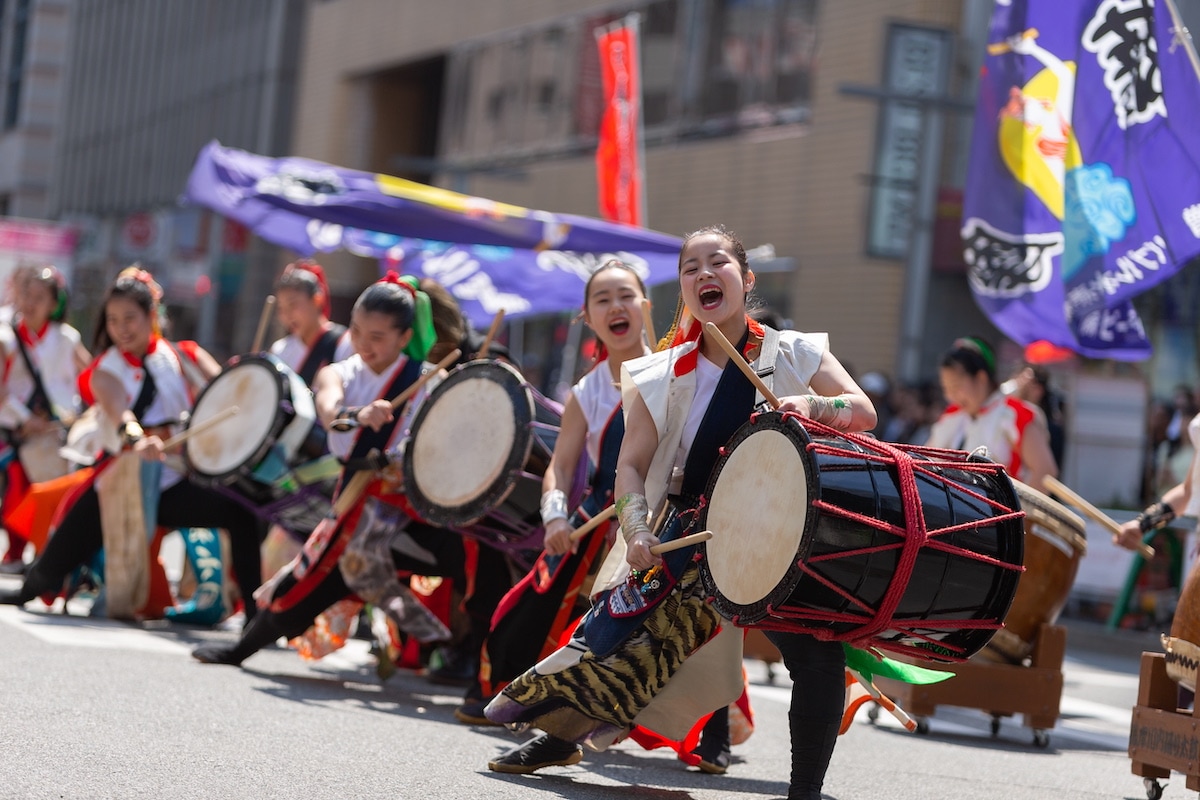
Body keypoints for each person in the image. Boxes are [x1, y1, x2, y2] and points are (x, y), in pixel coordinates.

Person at [485, 225, 875, 800]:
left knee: (814, 654)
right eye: (690, 268)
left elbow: (862, 411)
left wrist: (814, 403)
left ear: (745, 279)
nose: (702, 275)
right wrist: (637, 528)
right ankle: (559, 738)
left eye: (716, 263)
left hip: (779, 532)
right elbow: (631, 466)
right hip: (694, 532)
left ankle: (805, 790)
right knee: (610, 636)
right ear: (684, 290)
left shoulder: (794, 354)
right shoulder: (659, 374)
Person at [191, 274, 469, 666]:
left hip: (414, 508)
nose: (363, 344)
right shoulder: (340, 373)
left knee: (470, 559)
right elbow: (328, 411)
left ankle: (460, 650)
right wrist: (357, 415)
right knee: (310, 580)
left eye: (377, 337)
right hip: (357, 502)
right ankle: (244, 648)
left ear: (404, 338)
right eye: (356, 331)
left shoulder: (429, 381)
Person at [0, 267, 264, 617]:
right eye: (112, 320)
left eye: (130, 318)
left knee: (242, 510)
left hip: (173, 481)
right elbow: (118, 411)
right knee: (52, 564)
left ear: (151, 316)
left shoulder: (183, 356)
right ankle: (35, 584)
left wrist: (248, 388)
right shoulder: (106, 369)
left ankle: (255, 613)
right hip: (123, 482)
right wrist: (137, 437)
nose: (121, 329)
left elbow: (228, 391)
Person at [460, 262, 647, 736]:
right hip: (597, 513)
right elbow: (561, 469)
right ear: (587, 317)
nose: (615, 306)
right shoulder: (588, 391)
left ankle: (713, 728)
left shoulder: (678, 369)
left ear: (646, 305)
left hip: (659, 511)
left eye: (625, 295)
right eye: (602, 299)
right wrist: (555, 518)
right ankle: (522, 695)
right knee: (529, 602)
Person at [0, 266, 91, 572]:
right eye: (26, 293)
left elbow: (89, 376)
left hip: (56, 430)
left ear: (55, 304)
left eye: (40, 296)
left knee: (51, 492)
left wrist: (79, 415)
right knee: (16, 488)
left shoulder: (66, 339)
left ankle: (45, 556)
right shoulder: (5, 333)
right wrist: (24, 417)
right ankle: (14, 553)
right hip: (14, 428)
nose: (31, 302)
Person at [925, 337, 1058, 492]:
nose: (950, 396)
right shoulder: (952, 416)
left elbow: (1045, 472)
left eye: (956, 386)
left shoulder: (1016, 415)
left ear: (981, 378)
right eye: (946, 388)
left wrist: (1020, 515)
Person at [268, 260, 351, 384]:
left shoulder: (345, 343)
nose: (286, 315)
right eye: (281, 308)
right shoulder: (280, 350)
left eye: (293, 305)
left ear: (317, 300)